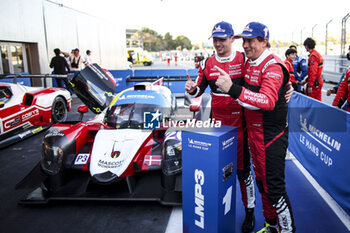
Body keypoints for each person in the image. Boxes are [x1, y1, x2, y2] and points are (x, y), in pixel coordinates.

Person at [216, 22, 296, 233]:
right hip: (253, 135)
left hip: (271, 138)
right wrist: (289, 86)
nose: (246, 45)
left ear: (264, 41)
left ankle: (288, 230)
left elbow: (268, 101)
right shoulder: (250, 62)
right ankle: (270, 225)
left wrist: (232, 89)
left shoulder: (273, 65)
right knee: (262, 184)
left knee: (275, 190)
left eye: (251, 40)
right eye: (244, 40)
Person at [185, 21, 256, 233]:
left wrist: (286, 88)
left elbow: (262, 79)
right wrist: (192, 89)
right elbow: (199, 90)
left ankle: (250, 212)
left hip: (241, 125)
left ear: (232, 39)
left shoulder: (244, 59)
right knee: (218, 172)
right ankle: (215, 210)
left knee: (243, 173)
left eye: (222, 39)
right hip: (217, 127)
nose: (217, 43)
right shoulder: (207, 63)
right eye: (215, 39)